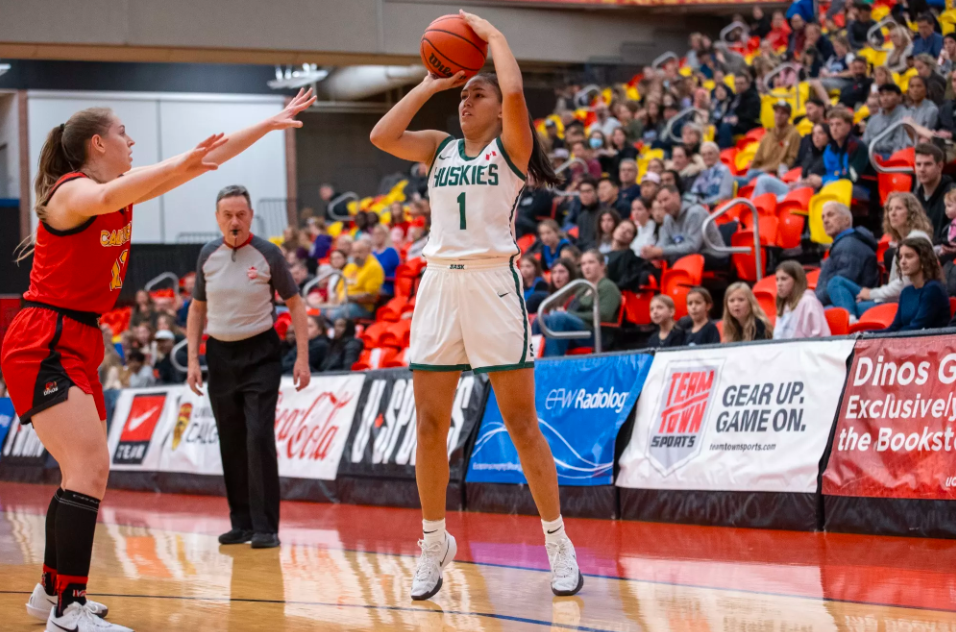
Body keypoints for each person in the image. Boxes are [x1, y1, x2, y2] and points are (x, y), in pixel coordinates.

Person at [0, 89, 315, 632]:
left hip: (78, 338)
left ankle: (50, 591)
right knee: (89, 469)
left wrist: (266, 125)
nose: (132, 140)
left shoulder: (114, 189)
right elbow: (134, 184)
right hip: (44, 338)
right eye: (123, 132)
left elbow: (202, 162)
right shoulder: (72, 192)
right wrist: (183, 161)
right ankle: (69, 609)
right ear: (98, 143)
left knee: (82, 471)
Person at [369, 10, 583, 600]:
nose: (467, 101)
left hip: (493, 284)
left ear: (497, 110)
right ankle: (433, 542)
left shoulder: (512, 149)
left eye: (476, 94)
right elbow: (382, 136)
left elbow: (513, 89)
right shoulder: (439, 149)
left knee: (521, 423)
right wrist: (431, 82)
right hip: (439, 285)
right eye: (463, 95)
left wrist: (493, 38)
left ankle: (558, 542)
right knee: (430, 424)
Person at [187, 184, 313, 554]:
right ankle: (240, 523)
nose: (235, 221)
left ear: (251, 216)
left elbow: (296, 303)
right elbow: (197, 308)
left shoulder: (269, 253)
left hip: (261, 354)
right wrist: (193, 360)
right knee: (230, 439)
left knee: (257, 437)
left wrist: (302, 358)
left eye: (241, 214)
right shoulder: (207, 255)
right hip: (220, 357)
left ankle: (265, 527)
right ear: (217, 218)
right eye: (228, 215)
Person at [828, 192, 934, 319]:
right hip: (892, 299)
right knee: (836, 282)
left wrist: (872, 294)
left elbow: (904, 284)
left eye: (898, 208)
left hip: (904, 305)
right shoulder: (905, 240)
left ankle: (850, 321)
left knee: (836, 309)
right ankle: (850, 318)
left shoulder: (917, 238)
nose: (892, 213)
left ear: (911, 213)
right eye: (890, 209)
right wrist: (874, 295)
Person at [533, 249, 621, 357]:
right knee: (541, 319)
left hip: (597, 332)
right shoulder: (582, 288)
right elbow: (571, 310)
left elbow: (604, 315)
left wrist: (569, 314)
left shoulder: (608, 287)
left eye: (591, 262)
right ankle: (535, 361)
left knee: (559, 318)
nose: (586, 267)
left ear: (602, 265)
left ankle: (552, 362)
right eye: (583, 264)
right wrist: (567, 313)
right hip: (578, 330)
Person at [642, 185, 727, 268]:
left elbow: (692, 247)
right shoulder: (667, 218)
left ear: (676, 196)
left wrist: (660, 251)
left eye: (666, 199)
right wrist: (652, 252)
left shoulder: (695, 213)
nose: (663, 205)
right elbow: (664, 244)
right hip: (690, 257)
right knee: (648, 265)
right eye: (660, 202)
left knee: (677, 259)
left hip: (714, 255)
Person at [816, 202, 880, 307]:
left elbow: (840, 287)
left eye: (830, 215)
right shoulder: (844, 243)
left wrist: (815, 300)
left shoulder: (848, 246)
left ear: (846, 220)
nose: (825, 220)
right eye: (823, 217)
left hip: (851, 305)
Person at [885, 237, 951, 331]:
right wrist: (866, 334)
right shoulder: (906, 292)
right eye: (900, 257)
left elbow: (917, 328)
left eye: (909, 256)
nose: (902, 262)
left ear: (923, 260)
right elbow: (894, 328)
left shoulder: (933, 289)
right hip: (906, 338)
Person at [753, 122, 829, 198]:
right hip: (798, 189)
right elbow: (803, 176)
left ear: (828, 136)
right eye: (814, 134)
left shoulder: (829, 155)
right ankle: (752, 204)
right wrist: (796, 183)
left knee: (775, 200)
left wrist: (817, 181)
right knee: (763, 179)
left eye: (820, 133)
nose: (816, 137)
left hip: (808, 194)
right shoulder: (810, 154)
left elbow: (824, 179)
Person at [811, 107, 871, 201]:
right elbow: (831, 172)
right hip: (839, 185)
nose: (834, 129)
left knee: (829, 189)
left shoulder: (856, 146)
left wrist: (823, 180)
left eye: (838, 124)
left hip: (861, 188)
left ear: (849, 126)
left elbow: (852, 177)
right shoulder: (831, 148)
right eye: (831, 125)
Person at [738, 101, 802, 184]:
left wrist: (771, 169)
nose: (779, 115)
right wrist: (752, 171)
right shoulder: (768, 135)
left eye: (783, 113)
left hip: (777, 174)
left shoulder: (794, 134)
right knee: (735, 179)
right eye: (777, 112)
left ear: (788, 116)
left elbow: (791, 159)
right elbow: (758, 158)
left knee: (746, 178)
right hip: (759, 172)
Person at [327, 239, 384, 320]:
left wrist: (349, 298)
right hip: (342, 303)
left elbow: (371, 297)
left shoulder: (374, 267)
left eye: (360, 252)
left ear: (368, 251)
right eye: (354, 252)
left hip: (361, 307)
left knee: (335, 315)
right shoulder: (350, 267)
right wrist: (332, 305)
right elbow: (338, 289)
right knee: (321, 311)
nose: (356, 255)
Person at [773, 261, 831, 339]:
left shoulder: (808, 302)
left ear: (797, 280)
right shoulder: (783, 305)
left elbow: (819, 336)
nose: (779, 284)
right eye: (777, 279)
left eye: (784, 279)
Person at [912, 142, 955, 239]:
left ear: (940, 166)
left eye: (927, 164)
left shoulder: (953, 195)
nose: (922, 169)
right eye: (918, 164)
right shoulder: (914, 197)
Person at [862, 84, 912, 159]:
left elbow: (899, 145)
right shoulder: (874, 118)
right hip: (871, 154)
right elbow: (865, 141)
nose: (885, 98)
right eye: (882, 95)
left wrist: (874, 146)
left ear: (899, 97)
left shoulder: (906, 116)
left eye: (889, 94)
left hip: (892, 157)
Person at [717, 71, 762, 148]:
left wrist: (737, 118)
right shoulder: (735, 97)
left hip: (745, 124)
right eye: (736, 83)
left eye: (741, 83)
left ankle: (725, 151)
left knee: (725, 126)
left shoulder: (753, 97)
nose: (738, 86)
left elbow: (752, 115)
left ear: (748, 84)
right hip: (731, 120)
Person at [688, 142, 734, 207]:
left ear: (717, 154)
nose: (707, 157)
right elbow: (694, 192)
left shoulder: (724, 170)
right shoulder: (702, 172)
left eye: (710, 153)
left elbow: (725, 195)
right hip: (700, 207)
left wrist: (704, 203)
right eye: (704, 155)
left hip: (717, 208)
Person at [562, 176, 601, 250]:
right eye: (582, 192)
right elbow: (581, 241)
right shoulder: (582, 216)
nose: (585, 195)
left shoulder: (604, 214)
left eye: (588, 191)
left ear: (597, 192)